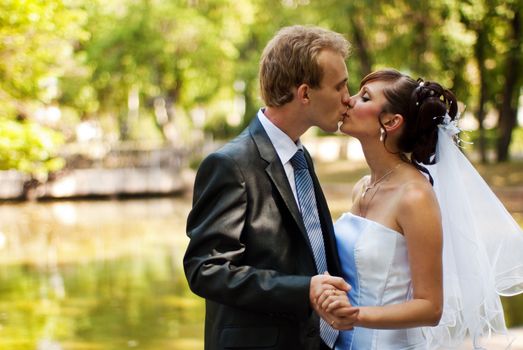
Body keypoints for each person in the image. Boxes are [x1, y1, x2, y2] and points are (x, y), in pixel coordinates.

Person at [318, 69, 523, 349]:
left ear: (391, 121)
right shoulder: (362, 187)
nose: (349, 101)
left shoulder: (414, 196)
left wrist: (355, 316)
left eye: (364, 97)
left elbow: (430, 307)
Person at [184, 25, 358, 350]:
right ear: (304, 94)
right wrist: (303, 290)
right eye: (340, 87)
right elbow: (205, 269)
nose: (349, 98)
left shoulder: (301, 156)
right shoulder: (230, 165)